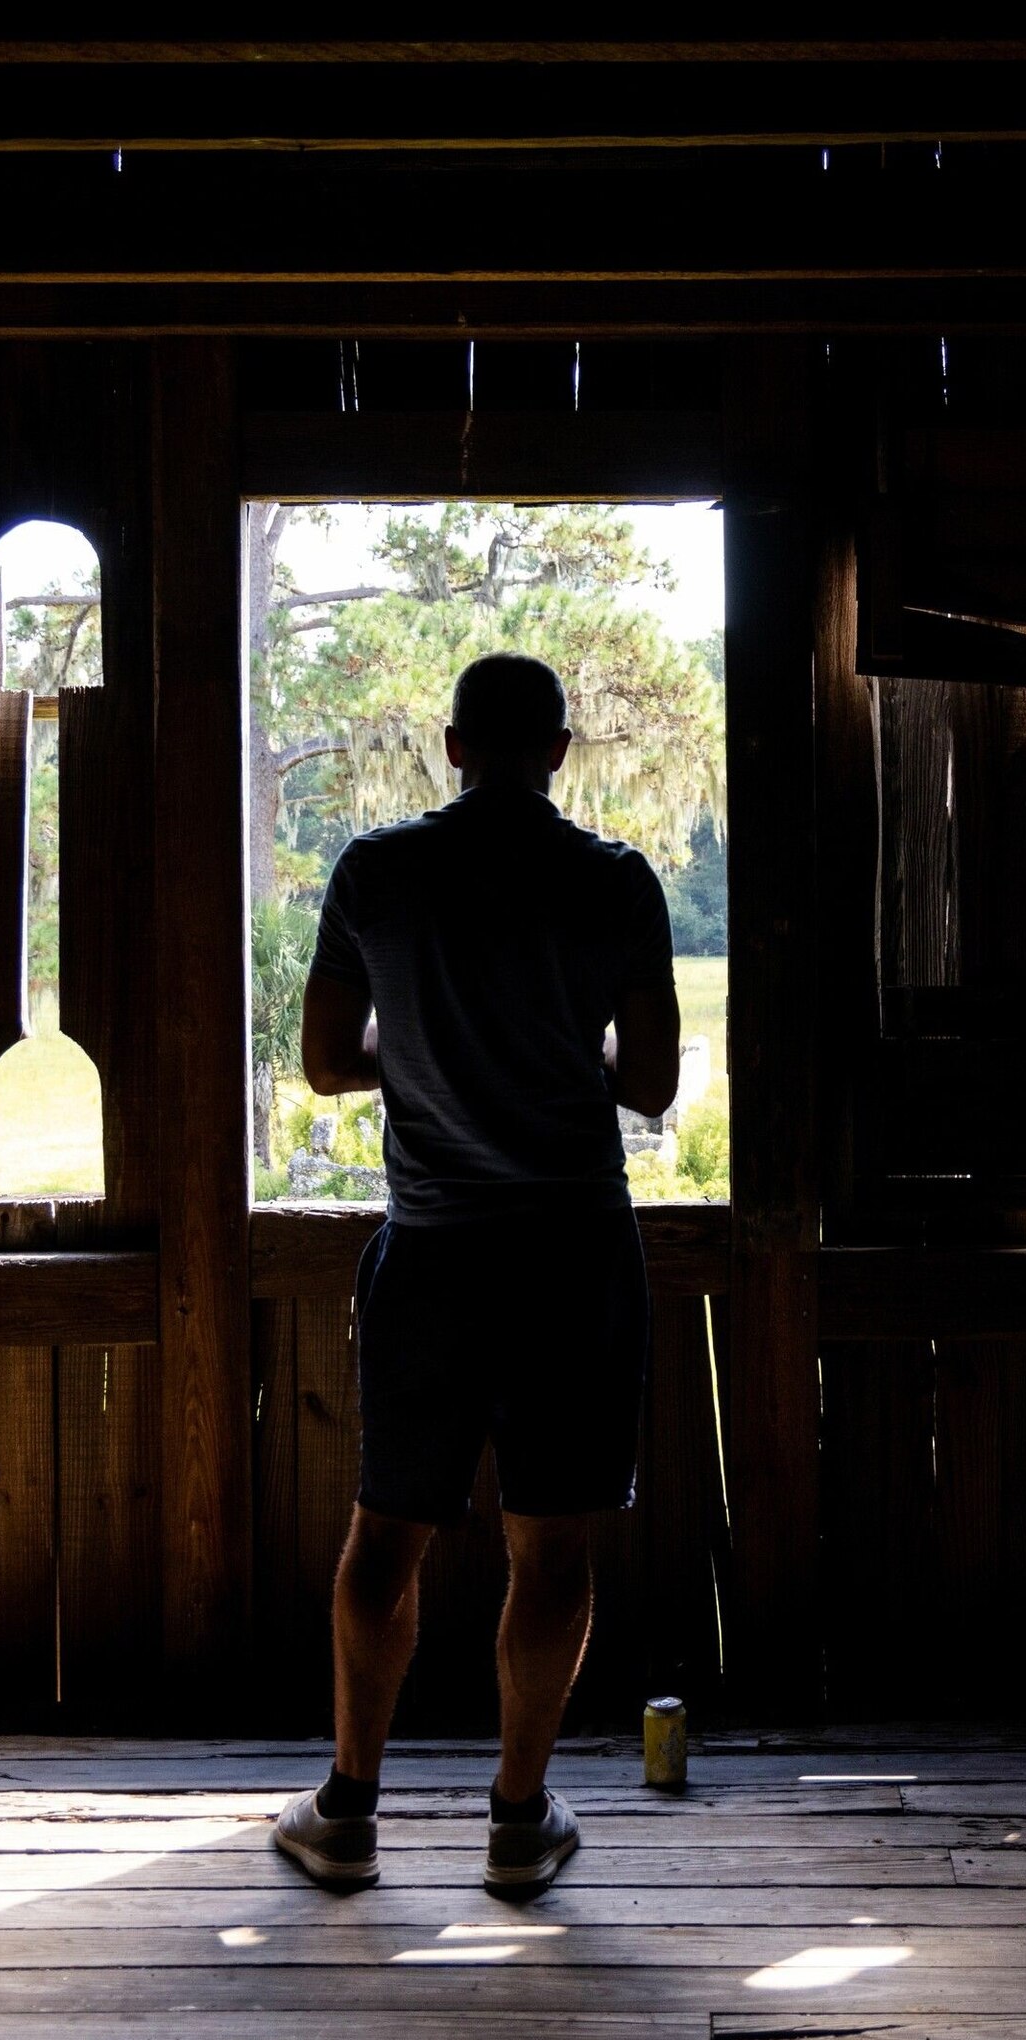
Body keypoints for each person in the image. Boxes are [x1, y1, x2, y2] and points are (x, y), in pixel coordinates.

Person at [269, 651, 681, 1895]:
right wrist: (557, 1054)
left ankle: (348, 1813)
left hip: (433, 1255)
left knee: (386, 1533)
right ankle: (516, 1822)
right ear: (558, 751)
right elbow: (651, 1084)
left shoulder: (376, 871)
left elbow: (325, 1062)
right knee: (551, 1547)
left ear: (451, 747)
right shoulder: (615, 881)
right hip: (572, 1258)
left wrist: (417, 1049)